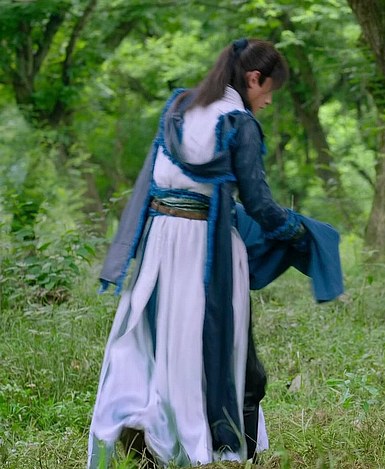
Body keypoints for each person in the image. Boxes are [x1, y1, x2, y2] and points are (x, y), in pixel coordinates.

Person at [89, 38, 338, 467]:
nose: (268, 101)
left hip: (160, 244)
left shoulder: (179, 107)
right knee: (228, 349)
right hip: (206, 249)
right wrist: (301, 232)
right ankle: (227, 448)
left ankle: (154, 429)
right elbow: (259, 204)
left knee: (163, 346)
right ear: (253, 79)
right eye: (269, 91)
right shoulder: (239, 123)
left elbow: (158, 180)